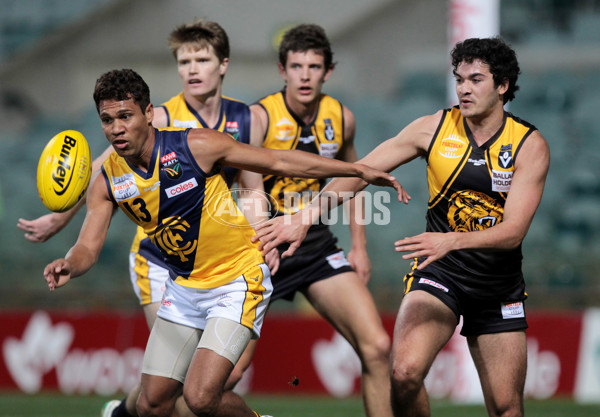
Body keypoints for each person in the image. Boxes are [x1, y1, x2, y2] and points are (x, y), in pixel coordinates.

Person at [42, 68, 404, 417]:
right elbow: (88, 247)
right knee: (151, 405)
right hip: (183, 288)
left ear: (149, 113)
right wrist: (69, 265)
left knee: (200, 398)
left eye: (126, 116)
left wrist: (356, 170)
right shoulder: (107, 181)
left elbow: (279, 160)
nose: (117, 129)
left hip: (237, 279)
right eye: (108, 120)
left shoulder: (195, 145)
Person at [252, 37, 550, 417]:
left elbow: (513, 233)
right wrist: (303, 217)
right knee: (404, 373)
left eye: (476, 80)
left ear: (503, 85)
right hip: (440, 273)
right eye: (459, 79)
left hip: (497, 285)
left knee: (507, 409)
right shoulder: (433, 128)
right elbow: (362, 172)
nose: (463, 88)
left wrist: (451, 240)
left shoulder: (528, 145)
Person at [18, 20, 271, 417]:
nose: (192, 68)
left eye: (201, 58)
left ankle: (122, 412)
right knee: (180, 387)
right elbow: (100, 171)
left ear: (222, 64)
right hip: (159, 259)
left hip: (222, 257)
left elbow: (253, 188)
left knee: (214, 382)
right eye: (184, 60)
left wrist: (260, 238)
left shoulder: (245, 117)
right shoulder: (158, 115)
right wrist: (61, 219)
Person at [229, 23, 395, 417]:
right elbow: (243, 189)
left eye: (314, 66)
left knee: (378, 347)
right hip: (262, 247)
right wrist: (258, 240)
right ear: (282, 70)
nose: (305, 75)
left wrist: (359, 247)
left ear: (328, 71)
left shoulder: (342, 118)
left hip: (316, 246)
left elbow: (353, 178)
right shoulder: (259, 118)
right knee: (229, 374)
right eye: (297, 66)